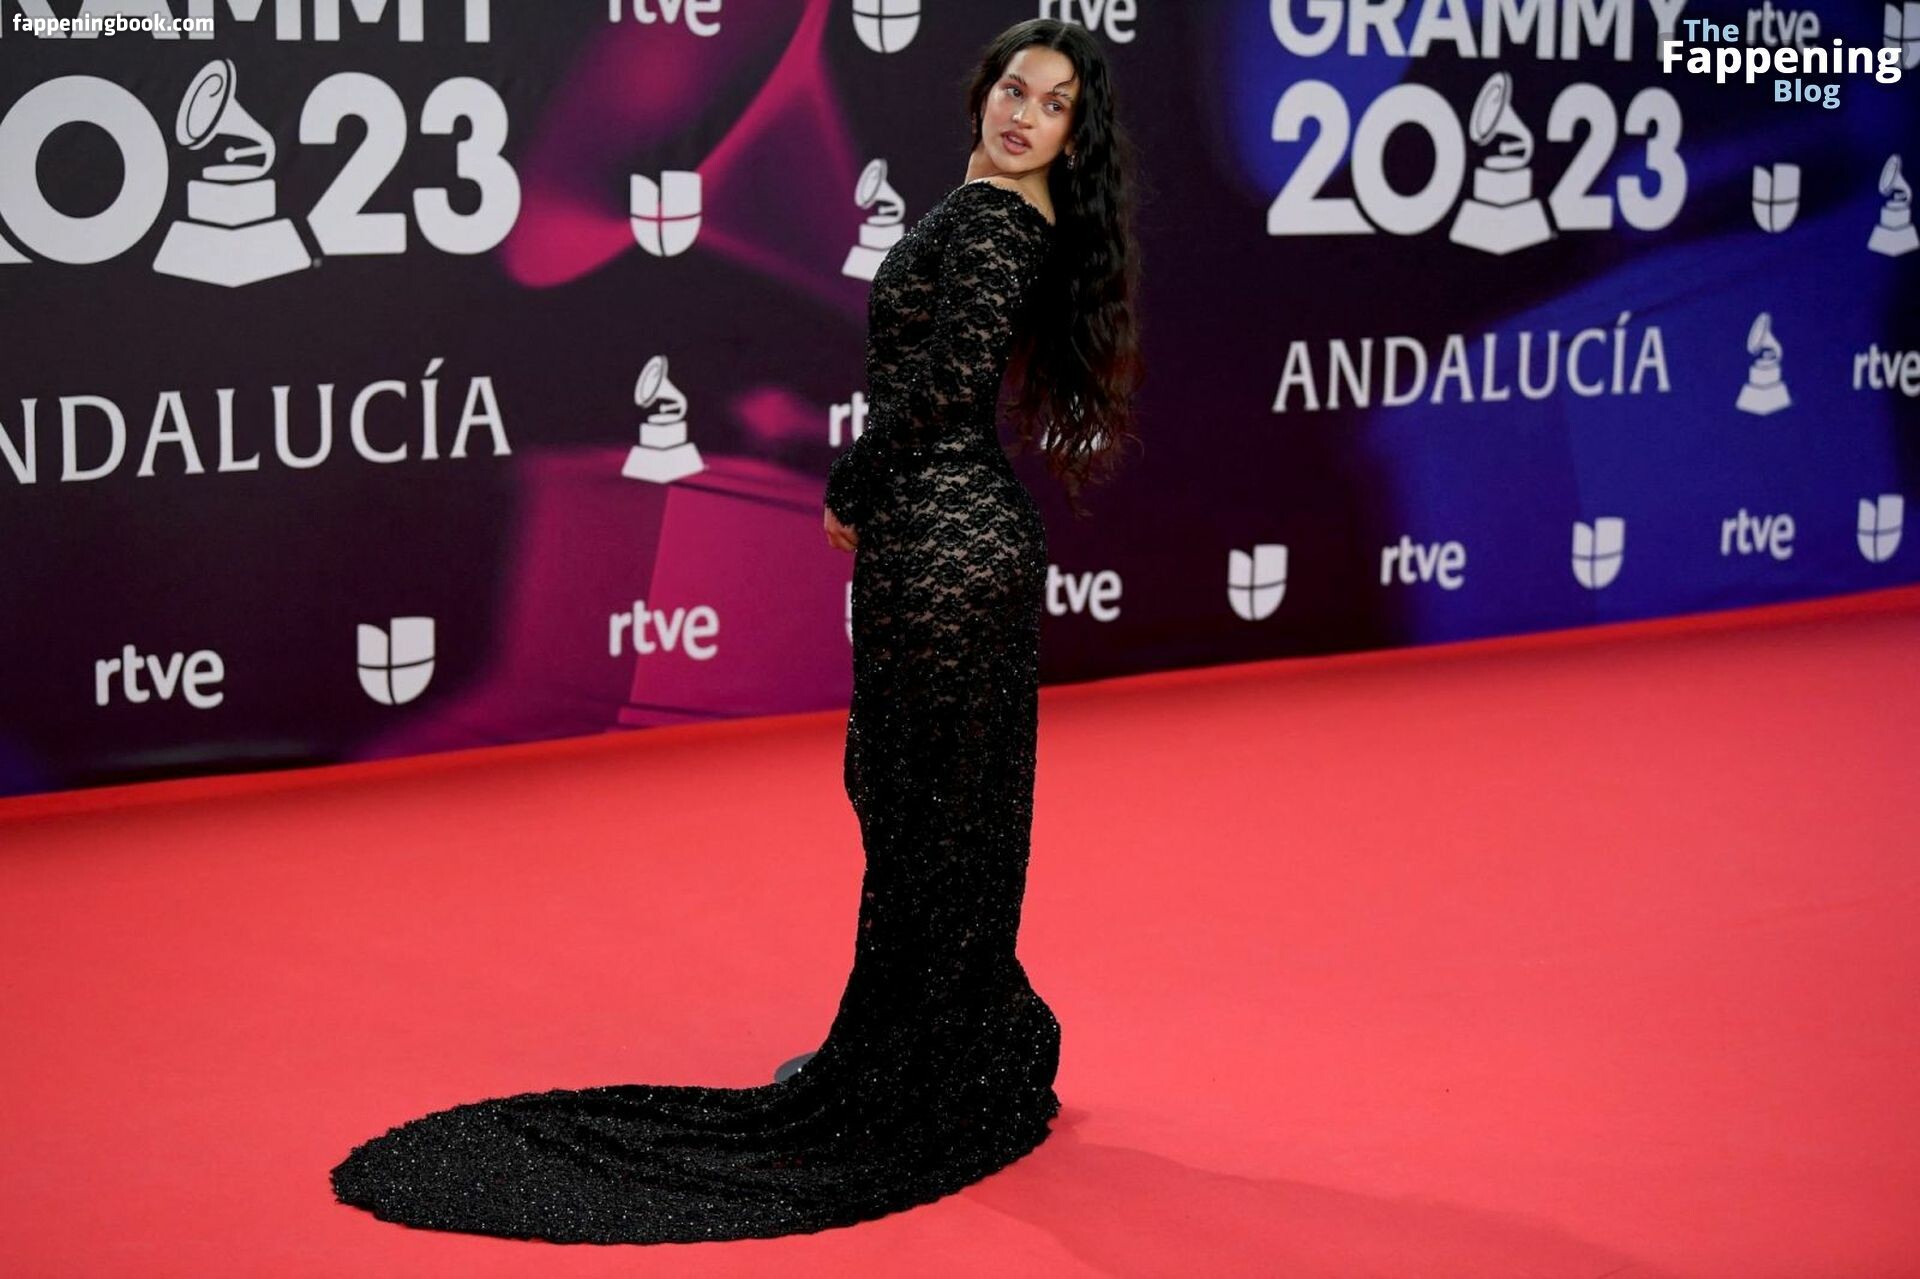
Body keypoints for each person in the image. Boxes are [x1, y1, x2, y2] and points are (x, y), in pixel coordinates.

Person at [330, 17, 1142, 1244]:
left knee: (925, 801)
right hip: (953, 533)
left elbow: (946, 387)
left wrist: (851, 480)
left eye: (1054, 104)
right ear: (985, 92)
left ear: (1077, 135)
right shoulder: (996, 212)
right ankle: (949, 1045)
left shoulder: (991, 225)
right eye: (1014, 89)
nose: (1023, 115)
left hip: (943, 534)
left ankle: (929, 1066)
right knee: (928, 799)